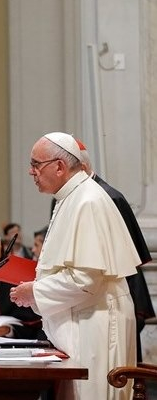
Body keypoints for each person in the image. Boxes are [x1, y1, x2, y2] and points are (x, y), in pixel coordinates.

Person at [9, 132, 139, 399]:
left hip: (95, 325)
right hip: (83, 321)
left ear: (59, 166)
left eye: (36, 164)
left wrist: (34, 291)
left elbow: (85, 281)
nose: (31, 171)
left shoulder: (87, 200)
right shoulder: (71, 196)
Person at [75, 138, 155, 362]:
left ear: (82, 168)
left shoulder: (109, 198)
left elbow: (125, 260)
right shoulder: (70, 197)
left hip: (109, 297)